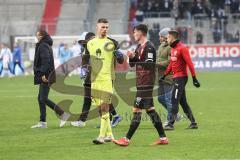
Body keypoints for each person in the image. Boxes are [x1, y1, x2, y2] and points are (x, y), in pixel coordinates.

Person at [113, 24, 168, 146]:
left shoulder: (149, 47)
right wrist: (131, 57)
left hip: (146, 83)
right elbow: (133, 65)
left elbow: (149, 65)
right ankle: (163, 138)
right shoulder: (139, 47)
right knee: (150, 110)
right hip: (141, 82)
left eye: (135, 32)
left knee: (136, 109)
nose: (134, 35)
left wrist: (135, 57)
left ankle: (126, 139)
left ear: (140, 33)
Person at [82, 18, 124, 144]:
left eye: (106, 27)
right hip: (95, 80)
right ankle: (110, 135)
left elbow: (121, 60)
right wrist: (84, 69)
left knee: (105, 107)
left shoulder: (111, 43)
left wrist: (120, 57)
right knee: (101, 109)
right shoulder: (90, 43)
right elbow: (85, 58)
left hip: (107, 79)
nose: (105, 29)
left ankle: (101, 137)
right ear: (97, 27)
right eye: (103, 27)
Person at [70, 32, 123, 128]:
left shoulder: (99, 45)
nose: (83, 44)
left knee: (101, 99)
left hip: (101, 77)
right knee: (95, 99)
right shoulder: (90, 47)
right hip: (94, 77)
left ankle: (112, 118)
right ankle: (110, 119)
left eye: (84, 42)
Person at [162, 30, 200, 130]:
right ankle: (193, 123)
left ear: (173, 38)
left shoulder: (182, 48)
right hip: (176, 78)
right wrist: (164, 75)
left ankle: (170, 123)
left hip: (181, 78)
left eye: (168, 37)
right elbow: (171, 63)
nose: (167, 39)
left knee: (174, 99)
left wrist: (194, 78)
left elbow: (190, 63)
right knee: (183, 102)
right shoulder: (174, 49)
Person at [31, 30, 70, 129]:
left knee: (43, 98)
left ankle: (63, 114)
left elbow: (46, 60)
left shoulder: (43, 45)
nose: (37, 37)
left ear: (43, 36)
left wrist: (43, 74)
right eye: (37, 35)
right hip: (46, 74)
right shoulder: (46, 44)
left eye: (39, 35)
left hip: (46, 75)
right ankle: (43, 122)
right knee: (40, 98)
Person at [157, 28, 183, 127]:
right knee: (160, 98)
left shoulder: (171, 47)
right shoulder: (161, 46)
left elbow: (170, 62)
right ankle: (175, 114)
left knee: (168, 99)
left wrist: (156, 64)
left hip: (169, 76)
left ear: (165, 37)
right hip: (160, 77)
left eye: (161, 36)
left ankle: (169, 121)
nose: (159, 38)